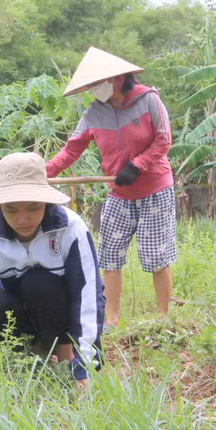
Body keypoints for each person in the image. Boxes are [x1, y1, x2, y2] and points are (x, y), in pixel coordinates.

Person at [46, 47, 175, 332]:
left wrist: (137, 165)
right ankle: (112, 320)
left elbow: (164, 140)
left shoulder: (148, 100)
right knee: (110, 253)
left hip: (154, 188)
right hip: (119, 192)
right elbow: (71, 150)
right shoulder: (94, 113)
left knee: (156, 254)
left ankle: (166, 317)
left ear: (116, 79)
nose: (92, 90)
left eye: (95, 84)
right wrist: (42, 172)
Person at [0, 152, 104, 387]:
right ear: (0, 207)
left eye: (33, 208)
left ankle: (67, 355)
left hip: (61, 310)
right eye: (11, 210)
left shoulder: (71, 231)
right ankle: (35, 354)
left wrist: (86, 367)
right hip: (22, 314)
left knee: (39, 281)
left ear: (46, 203)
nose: (23, 219)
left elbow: (88, 296)